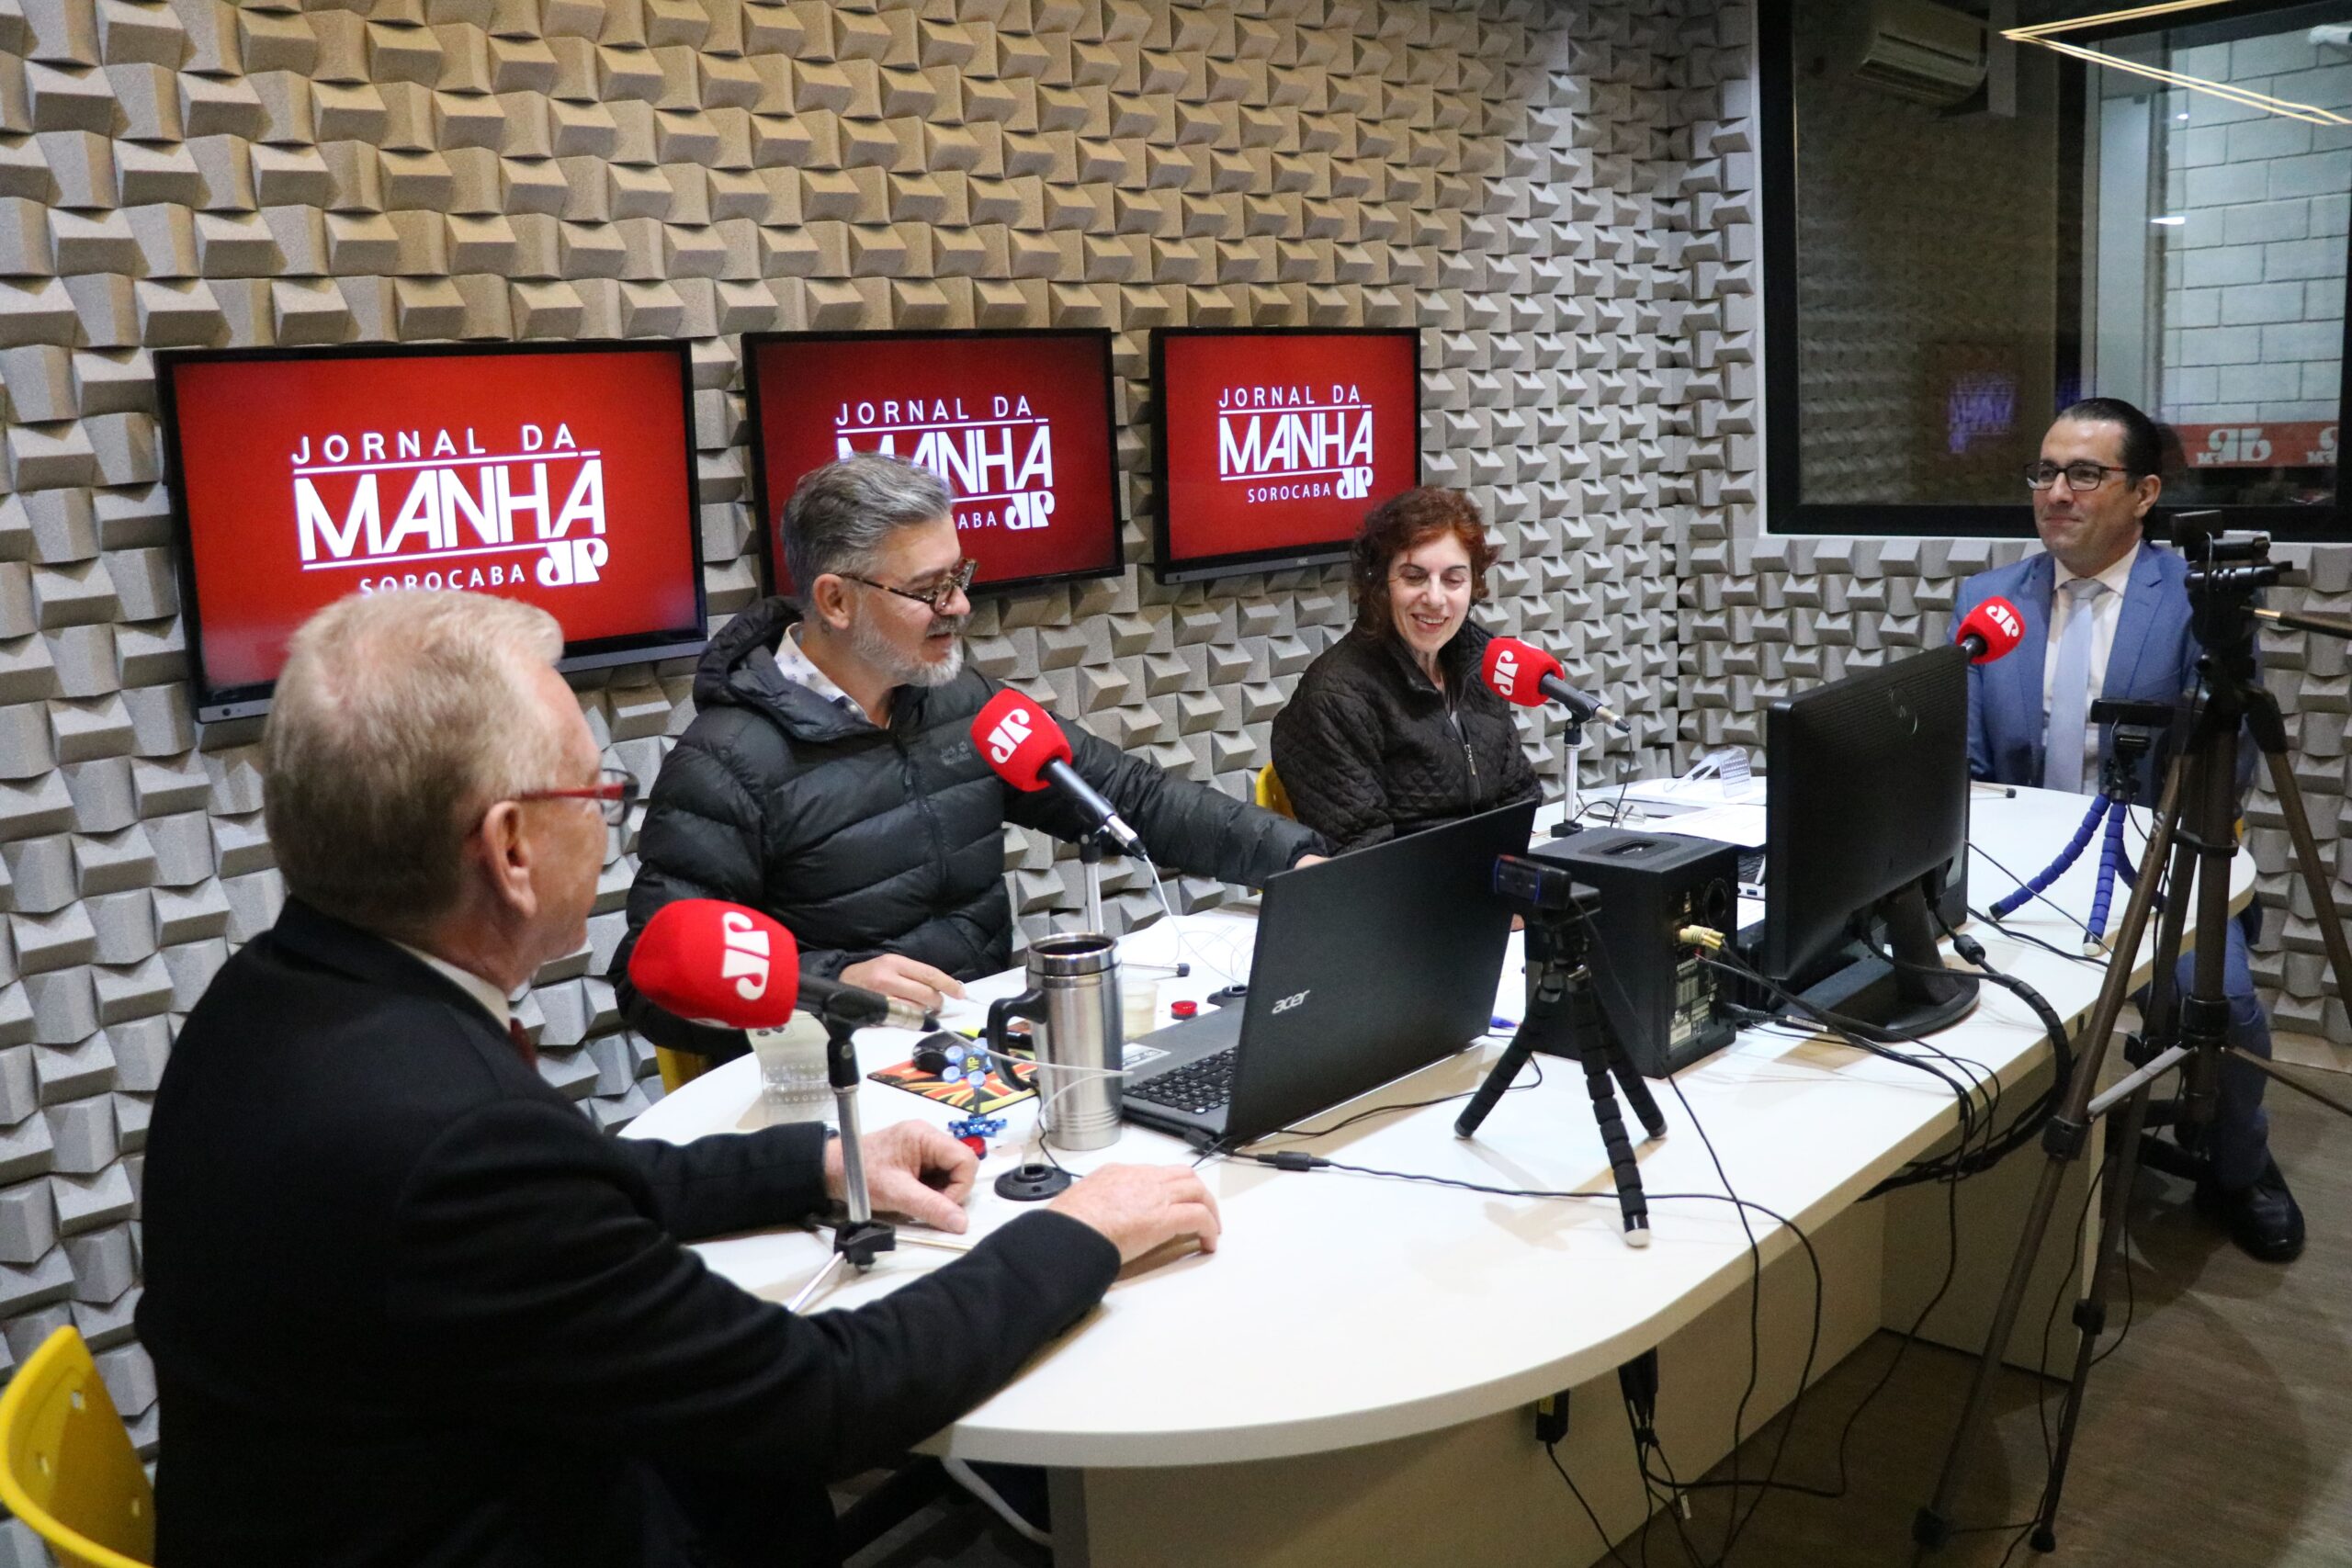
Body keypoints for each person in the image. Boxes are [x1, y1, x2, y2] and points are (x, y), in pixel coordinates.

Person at [136, 591, 1225, 1567]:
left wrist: (816, 1158)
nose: (609, 818)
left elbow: (572, 1190)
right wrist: (1081, 1230)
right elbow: (820, 1397)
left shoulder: (276, 995)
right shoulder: (449, 1142)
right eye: (596, 787)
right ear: (511, 850)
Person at [618, 454, 1325, 1057]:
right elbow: (651, 980)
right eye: (928, 589)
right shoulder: (725, 762)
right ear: (835, 600)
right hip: (843, 1083)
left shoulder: (966, 705)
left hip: (982, 1052)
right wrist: (835, 986)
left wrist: (1295, 862)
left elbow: (1130, 796)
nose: (958, 605)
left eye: (960, 574)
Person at [1952, 396, 2301, 1262]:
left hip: (2159, 863)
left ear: (2144, 493)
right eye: (2044, 471)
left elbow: (2231, 763)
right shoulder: (1988, 597)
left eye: (2084, 473)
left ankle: (2240, 1164)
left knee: (2229, 1005)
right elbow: (1961, 758)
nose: (2057, 493)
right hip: (2019, 865)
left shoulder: (2192, 603)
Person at [1270, 487, 1540, 853]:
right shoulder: (1333, 698)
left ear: (1473, 585)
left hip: (1492, 886)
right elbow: (1365, 855)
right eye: (1414, 577)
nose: (1434, 597)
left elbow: (1521, 801)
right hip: (1407, 898)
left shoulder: (1482, 667)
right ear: (1380, 583)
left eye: (1453, 579)